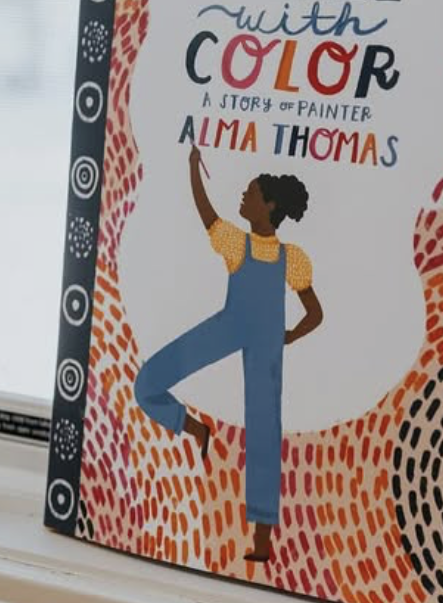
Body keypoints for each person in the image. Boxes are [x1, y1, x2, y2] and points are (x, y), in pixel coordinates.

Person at [134, 146, 323, 562]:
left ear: (268, 206)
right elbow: (206, 211)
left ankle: (261, 543)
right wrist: (190, 168)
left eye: (251, 193)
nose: (243, 196)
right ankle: (194, 428)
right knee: (148, 381)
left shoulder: (293, 259)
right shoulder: (237, 244)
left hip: (266, 344)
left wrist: (288, 336)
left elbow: (316, 312)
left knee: (264, 436)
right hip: (230, 324)